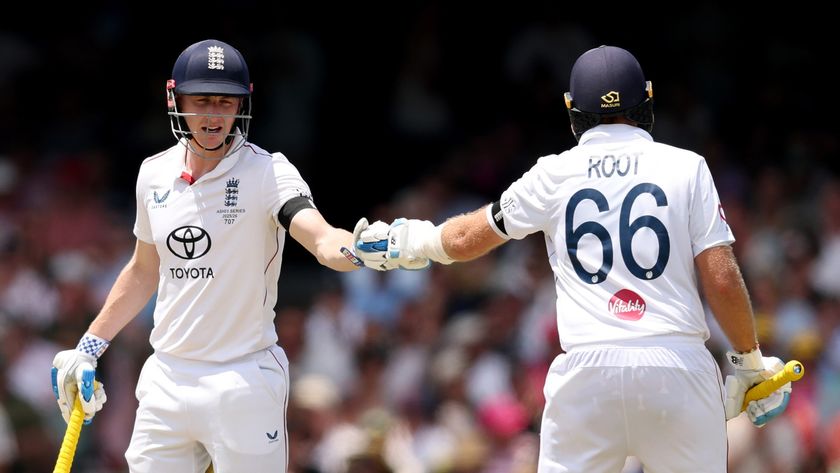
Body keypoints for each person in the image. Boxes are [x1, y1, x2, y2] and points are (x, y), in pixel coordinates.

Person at [354, 45, 793, 472]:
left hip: (587, 371)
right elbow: (720, 278)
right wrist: (749, 363)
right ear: (647, 100)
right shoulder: (686, 167)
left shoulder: (554, 172)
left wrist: (406, 241)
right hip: (677, 366)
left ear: (572, 109)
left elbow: (469, 237)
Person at [50, 38, 365, 473]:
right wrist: (89, 346)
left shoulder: (267, 172)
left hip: (244, 379)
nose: (214, 116)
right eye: (201, 101)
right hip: (167, 377)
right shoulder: (153, 173)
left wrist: (354, 249)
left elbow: (319, 235)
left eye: (226, 102)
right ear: (174, 98)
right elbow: (144, 269)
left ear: (243, 105)